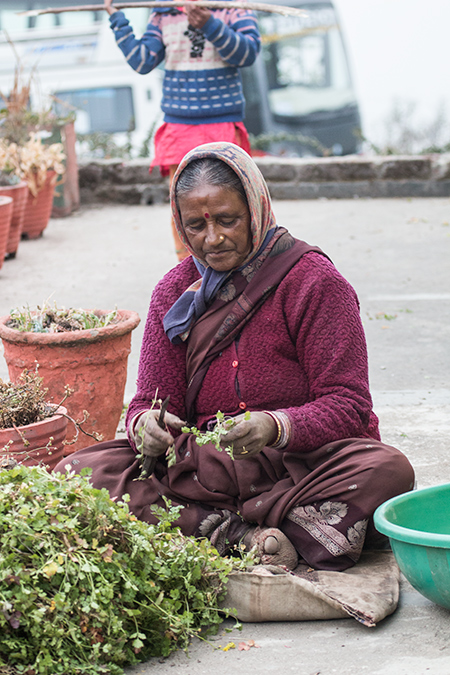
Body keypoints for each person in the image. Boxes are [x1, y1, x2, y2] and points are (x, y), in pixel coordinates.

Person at [56, 142, 415, 572]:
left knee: (388, 471)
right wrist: (145, 426)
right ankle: (250, 536)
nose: (213, 238)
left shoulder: (314, 283)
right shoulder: (174, 293)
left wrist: (274, 425)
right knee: (77, 472)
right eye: (196, 226)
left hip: (298, 466)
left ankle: (221, 531)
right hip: (203, 466)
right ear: (180, 227)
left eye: (228, 220)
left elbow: (349, 405)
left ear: (256, 208)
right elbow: (146, 402)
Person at [104, 0, 261, 262]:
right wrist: (118, 20)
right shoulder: (164, 12)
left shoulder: (234, 7)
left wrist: (209, 24)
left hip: (222, 122)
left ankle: (241, 263)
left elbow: (247, 54)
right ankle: (189, 269)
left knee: (234, 200)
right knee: (184, 205)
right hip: (179, 125)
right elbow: (142, 62)